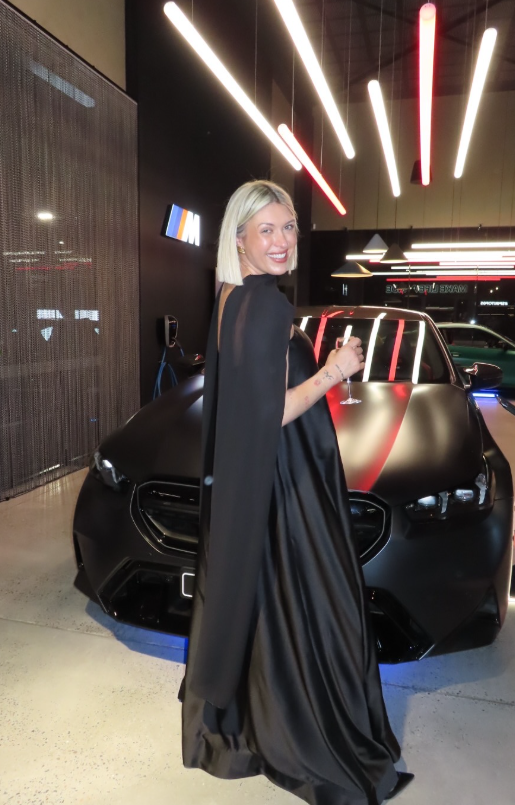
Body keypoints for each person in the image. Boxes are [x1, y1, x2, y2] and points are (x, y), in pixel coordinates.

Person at [180, 180, 413, 804]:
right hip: (286, 478)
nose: (282, 241)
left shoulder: (230, 297)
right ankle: (307, 730)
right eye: (267, 230)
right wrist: (335, 370)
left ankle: (258, 722)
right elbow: (270, 413)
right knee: (319, 603)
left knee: (271, 604)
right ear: (240, 239)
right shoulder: (266, 304)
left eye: (289, 228)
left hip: (256, 481)